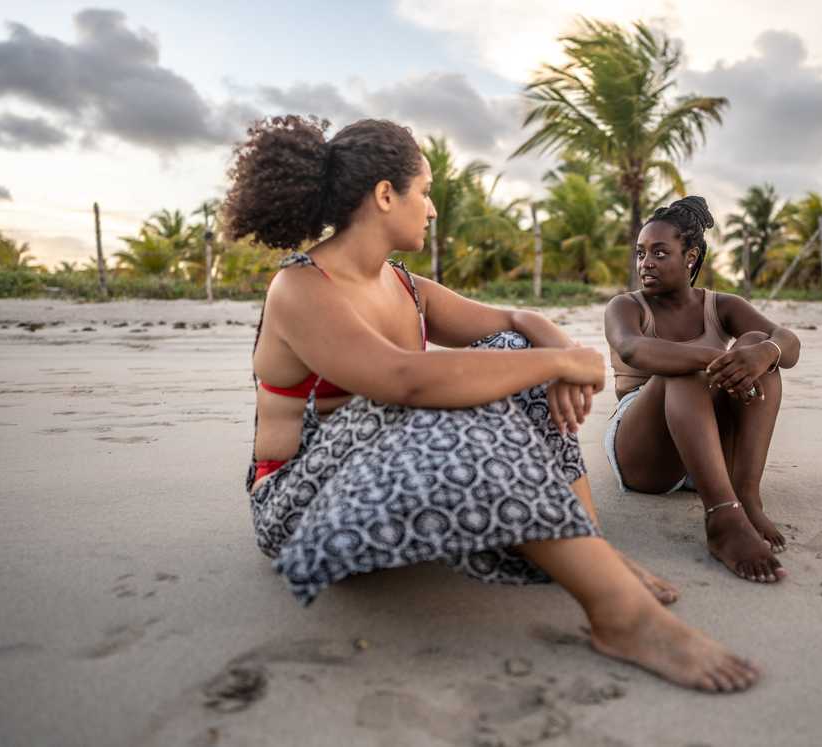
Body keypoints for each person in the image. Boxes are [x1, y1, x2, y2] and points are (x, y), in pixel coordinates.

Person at [226, 115, 759, 692]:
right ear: (385, 195)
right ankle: (621, 616)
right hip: (300, 508)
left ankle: (589, 542)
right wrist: (558, 365)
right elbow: (404, 380)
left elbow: (515, 319)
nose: (432, 209)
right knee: (450, 395)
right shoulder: (302, 287)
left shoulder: (404, 287)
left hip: (383, 487)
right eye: (425, 191)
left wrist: (559, 353)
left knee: (509, 352)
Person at [604, 196, 801, 584]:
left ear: (690, 257)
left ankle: (746, 496)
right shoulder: (626, 306)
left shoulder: (721, 305)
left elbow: (789, 343)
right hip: (646, 452)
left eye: (660, 253)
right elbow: (632, 348)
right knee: (684, 369)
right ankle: (723, 518)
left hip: (706, 445)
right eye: (641, 253)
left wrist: (763, 354)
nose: (646, 263)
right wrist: (716, 358)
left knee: (757, 344)